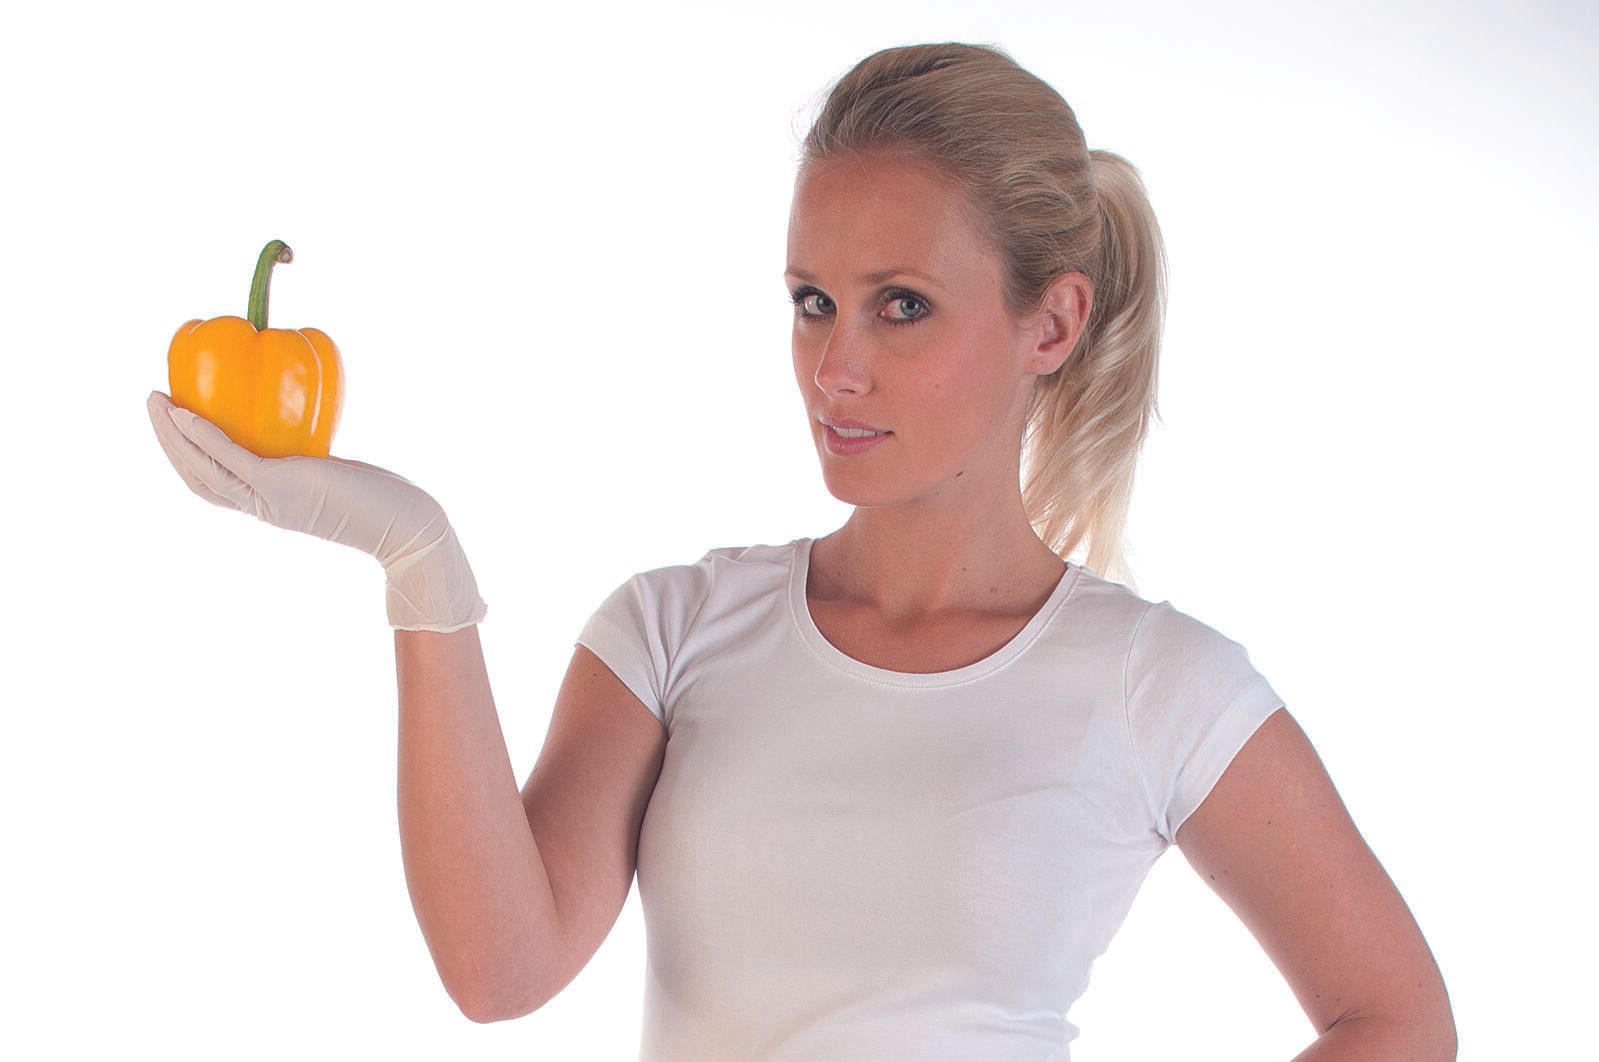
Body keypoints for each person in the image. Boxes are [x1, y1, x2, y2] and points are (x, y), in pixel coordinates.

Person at [147, 40, 1456, 1062]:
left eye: (904, 306)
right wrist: (419, 563)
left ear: (1051, 325)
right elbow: (501, 968)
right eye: (813, 302)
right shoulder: (675, 629)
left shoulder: (1153, 683)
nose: (836, 365)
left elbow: (1397, 1018)